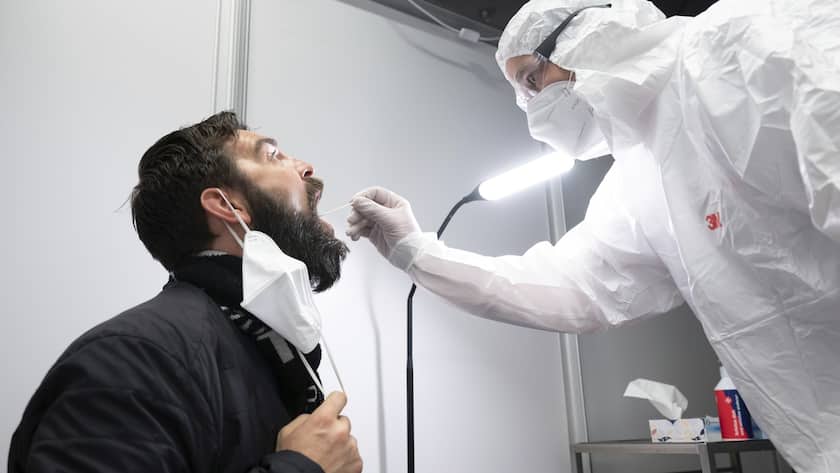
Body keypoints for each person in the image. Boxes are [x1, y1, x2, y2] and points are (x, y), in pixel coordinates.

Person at [345, 0, 840, 472]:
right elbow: (573, 288)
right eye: (522, 94)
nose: (532, 108)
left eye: (532, 80)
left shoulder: (734, 45)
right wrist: (416, 251)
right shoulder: (641, 177)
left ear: (589, 31)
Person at [8, 112, 363, 473]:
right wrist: (301, 468)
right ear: (227, 206)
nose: (306, 168)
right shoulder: (135, 358)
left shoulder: (267, 351)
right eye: (272, 155)